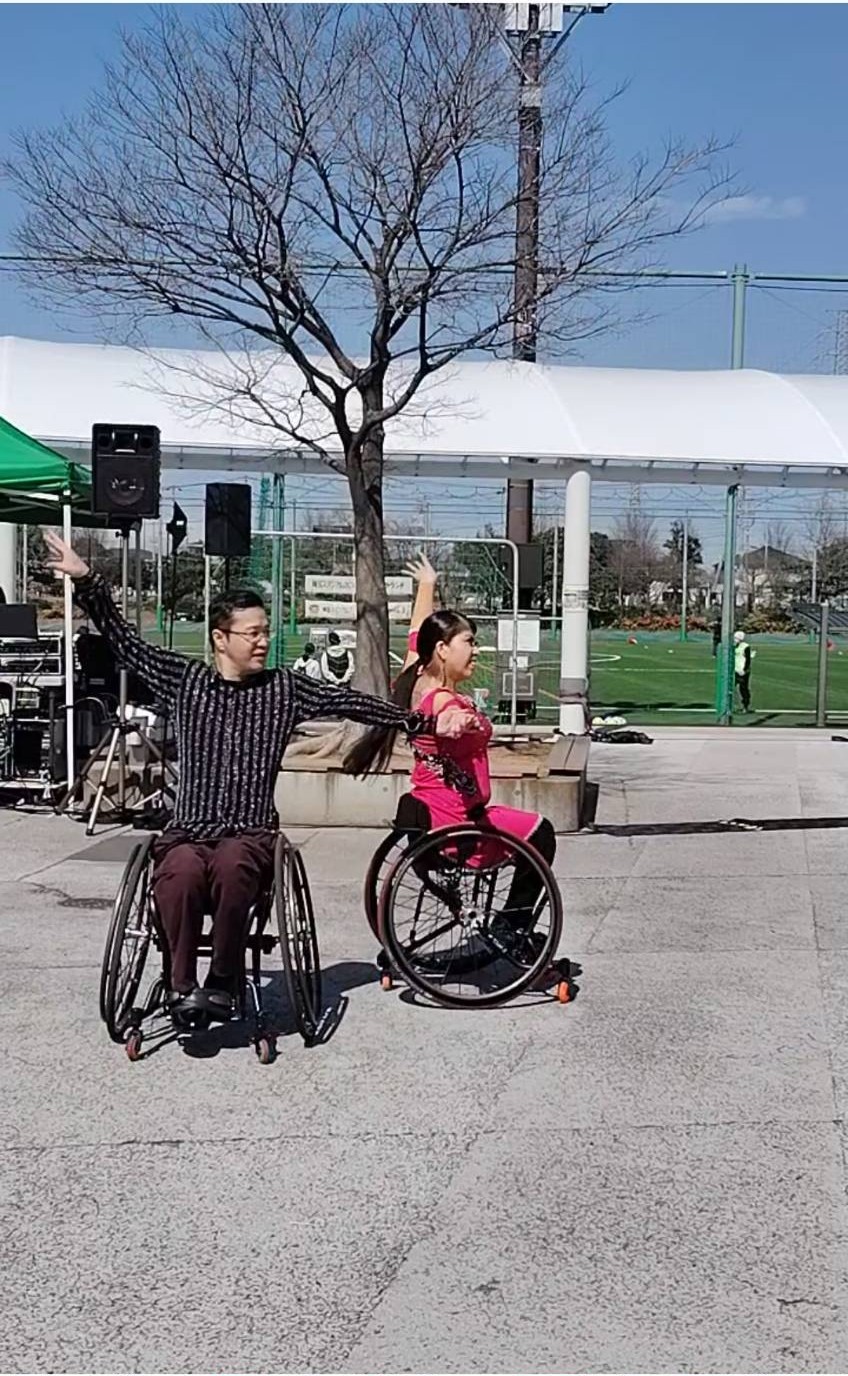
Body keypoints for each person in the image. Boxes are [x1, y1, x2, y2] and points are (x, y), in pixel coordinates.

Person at [43, 531, 472, 1025]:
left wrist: (420, 722)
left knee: (233, 866)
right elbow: (125, 643)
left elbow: (352, 702)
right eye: (253, 633)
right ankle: (181, 985)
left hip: (250, 835)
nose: (264, 641)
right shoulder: (186, 681)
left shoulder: (282, 689)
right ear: (220, 638)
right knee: (178, 871)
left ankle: (223, 980)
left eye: (265, 631)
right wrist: (87, 580)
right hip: (190, 830)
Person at [344, 586, 558, 957]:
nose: (476, 650)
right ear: (442, 649)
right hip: (457, 824)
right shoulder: (442, 699)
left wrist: (426, 585)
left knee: (532, 832)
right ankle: (510, 926)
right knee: (541, 833)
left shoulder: (414, 678)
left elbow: (417, 633)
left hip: (429, 811)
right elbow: (446, 717)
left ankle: (510, 925)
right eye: (469, 642)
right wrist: (457, 720)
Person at [734, 628, 755, 712]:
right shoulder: (733, 646)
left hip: (742, 671)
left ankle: (745, 705)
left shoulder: (745, 646)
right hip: (735, 670)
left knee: (743, 689)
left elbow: (748, 660)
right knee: (730, 688)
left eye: (736, 638)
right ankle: (730, 706)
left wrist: (744, 670)